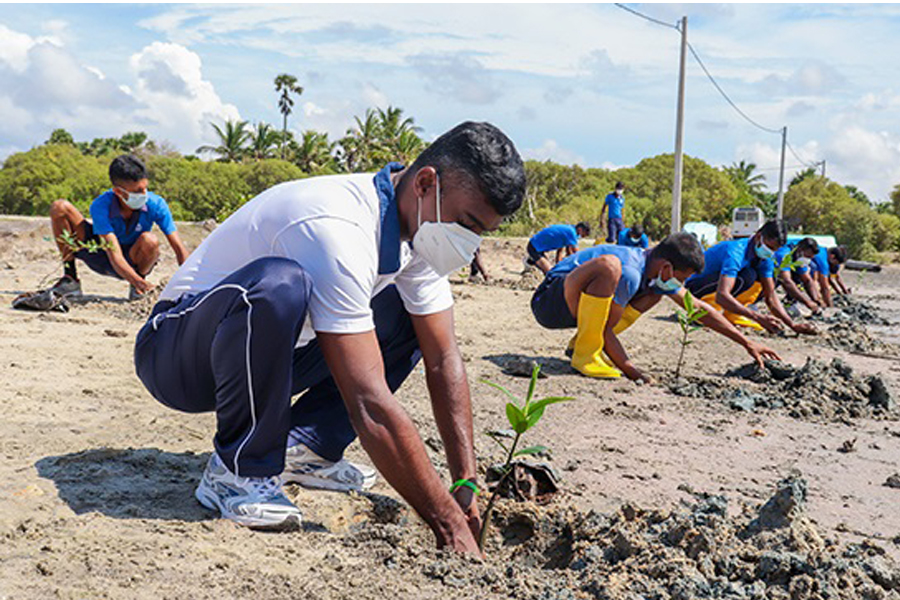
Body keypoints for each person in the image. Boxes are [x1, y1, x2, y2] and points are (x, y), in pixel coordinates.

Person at [133, 122, 526, 555]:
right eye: (467, 223)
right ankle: (236, 470)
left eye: (480, 233)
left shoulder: (418, 230)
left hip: (269, 357)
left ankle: (305, 449)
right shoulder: (336, 224)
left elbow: (443, 357)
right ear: (426, 182)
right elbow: (368, 400)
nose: (468, 243)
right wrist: (447, 523)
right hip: (176, 354)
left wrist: (465, 482)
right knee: (279, 285)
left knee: (409, 318)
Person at [530, 233, 780, 382]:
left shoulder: (656, 274)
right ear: (667, 268)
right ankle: (585, 355)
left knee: (654, 295)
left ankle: (581, 345)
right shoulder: (629, 270)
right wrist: (630, 370)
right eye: (681, 279)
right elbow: (607, 329)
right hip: (550, 301)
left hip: (573, 306)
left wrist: (747, 342)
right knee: (610, 267)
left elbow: (700, 309)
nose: (680, 285)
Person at [48, 154, 190, 299]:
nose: (143, 195)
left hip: (133, 259)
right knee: (60, 207)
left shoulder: (156, 204)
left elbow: (178, 247)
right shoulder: (101, 206)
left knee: (150, 240)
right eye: (136, 192)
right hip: (101, 254)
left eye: (145, 189)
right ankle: (70, 278)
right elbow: (113, 253)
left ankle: (136, 289)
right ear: (118, 191)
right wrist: (143, 284)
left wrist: (191, 283)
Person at [684, 219, 817, 335]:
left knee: (760, 277)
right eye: (769, 247)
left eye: (774, 250)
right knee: (747, 276)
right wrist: (757, 317)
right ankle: (705, 312)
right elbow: (722, 295)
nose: (771, 252)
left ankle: (729, 312)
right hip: (695, 290)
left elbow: (770, 296)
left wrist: (792, 325)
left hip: (717, 289)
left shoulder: (765, 258)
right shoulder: (736, 252)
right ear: (759, 237)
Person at [772, 237, 823, 315]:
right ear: (800, 250)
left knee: (799, 281)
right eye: (808, 256)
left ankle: (789, 304)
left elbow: (807, 280)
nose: (808, 260)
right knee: (776, 280)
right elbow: (786, 281)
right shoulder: (784, 254)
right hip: (769, 270)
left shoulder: (799, 255)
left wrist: (815, 299)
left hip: (787, 267)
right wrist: (807, 302)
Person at [524, 222, 591, 274]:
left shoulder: (570, 232)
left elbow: (562, 251)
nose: (582, 237)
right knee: (549, 272)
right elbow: (577, 253)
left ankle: (532, 261)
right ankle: (531, 262)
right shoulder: (571, 233)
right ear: (580, 229)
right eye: (583, 235)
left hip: (539, 248)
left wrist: (559, 266)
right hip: (534, 247)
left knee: (551, 270)